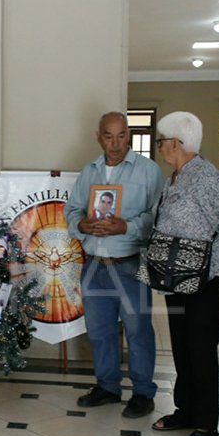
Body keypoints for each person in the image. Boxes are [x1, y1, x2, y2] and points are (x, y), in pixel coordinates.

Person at [148, 112, 219, 436]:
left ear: (177, 143)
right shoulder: (174, 177)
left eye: (161, 140)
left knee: (201, 350)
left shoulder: (205, 178)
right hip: (177, 277)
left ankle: (207, 424)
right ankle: (185, 410)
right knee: (182, 346)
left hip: (205, 279)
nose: (159, 146)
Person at [64, 112, 164, 418]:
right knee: (99, 331)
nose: (116, 143)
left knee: (138, 331)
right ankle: (107, 387)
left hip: (130, 264)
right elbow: (72, 209)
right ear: (99, 137)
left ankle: (143, 393)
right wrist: (81, 223)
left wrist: (126, 228)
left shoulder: (149, 171)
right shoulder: (89, 171)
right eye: (109, 136)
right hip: (94, 265)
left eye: (122, 135)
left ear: (129, 135)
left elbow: (158, 216)